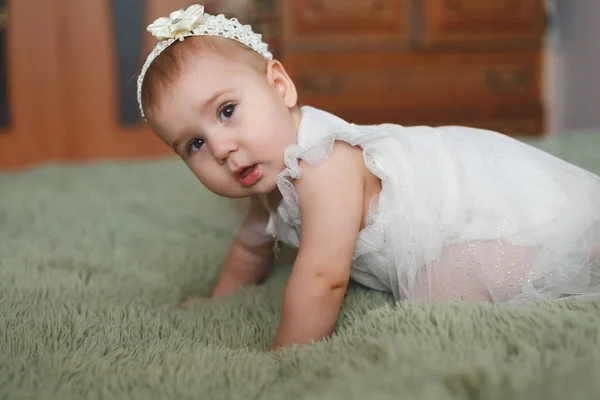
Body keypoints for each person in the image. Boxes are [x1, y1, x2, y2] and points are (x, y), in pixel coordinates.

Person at [137, 5, 600, 350]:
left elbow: (322, 277)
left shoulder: (325, 164)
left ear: (279, 86)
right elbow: (249, 247)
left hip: (483, 212)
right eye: (193, 144)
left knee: (439, 295)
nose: (220, 148)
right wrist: (220, 298)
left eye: (227, 111)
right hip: (460, 208)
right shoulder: (268, 174)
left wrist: (283, 356)